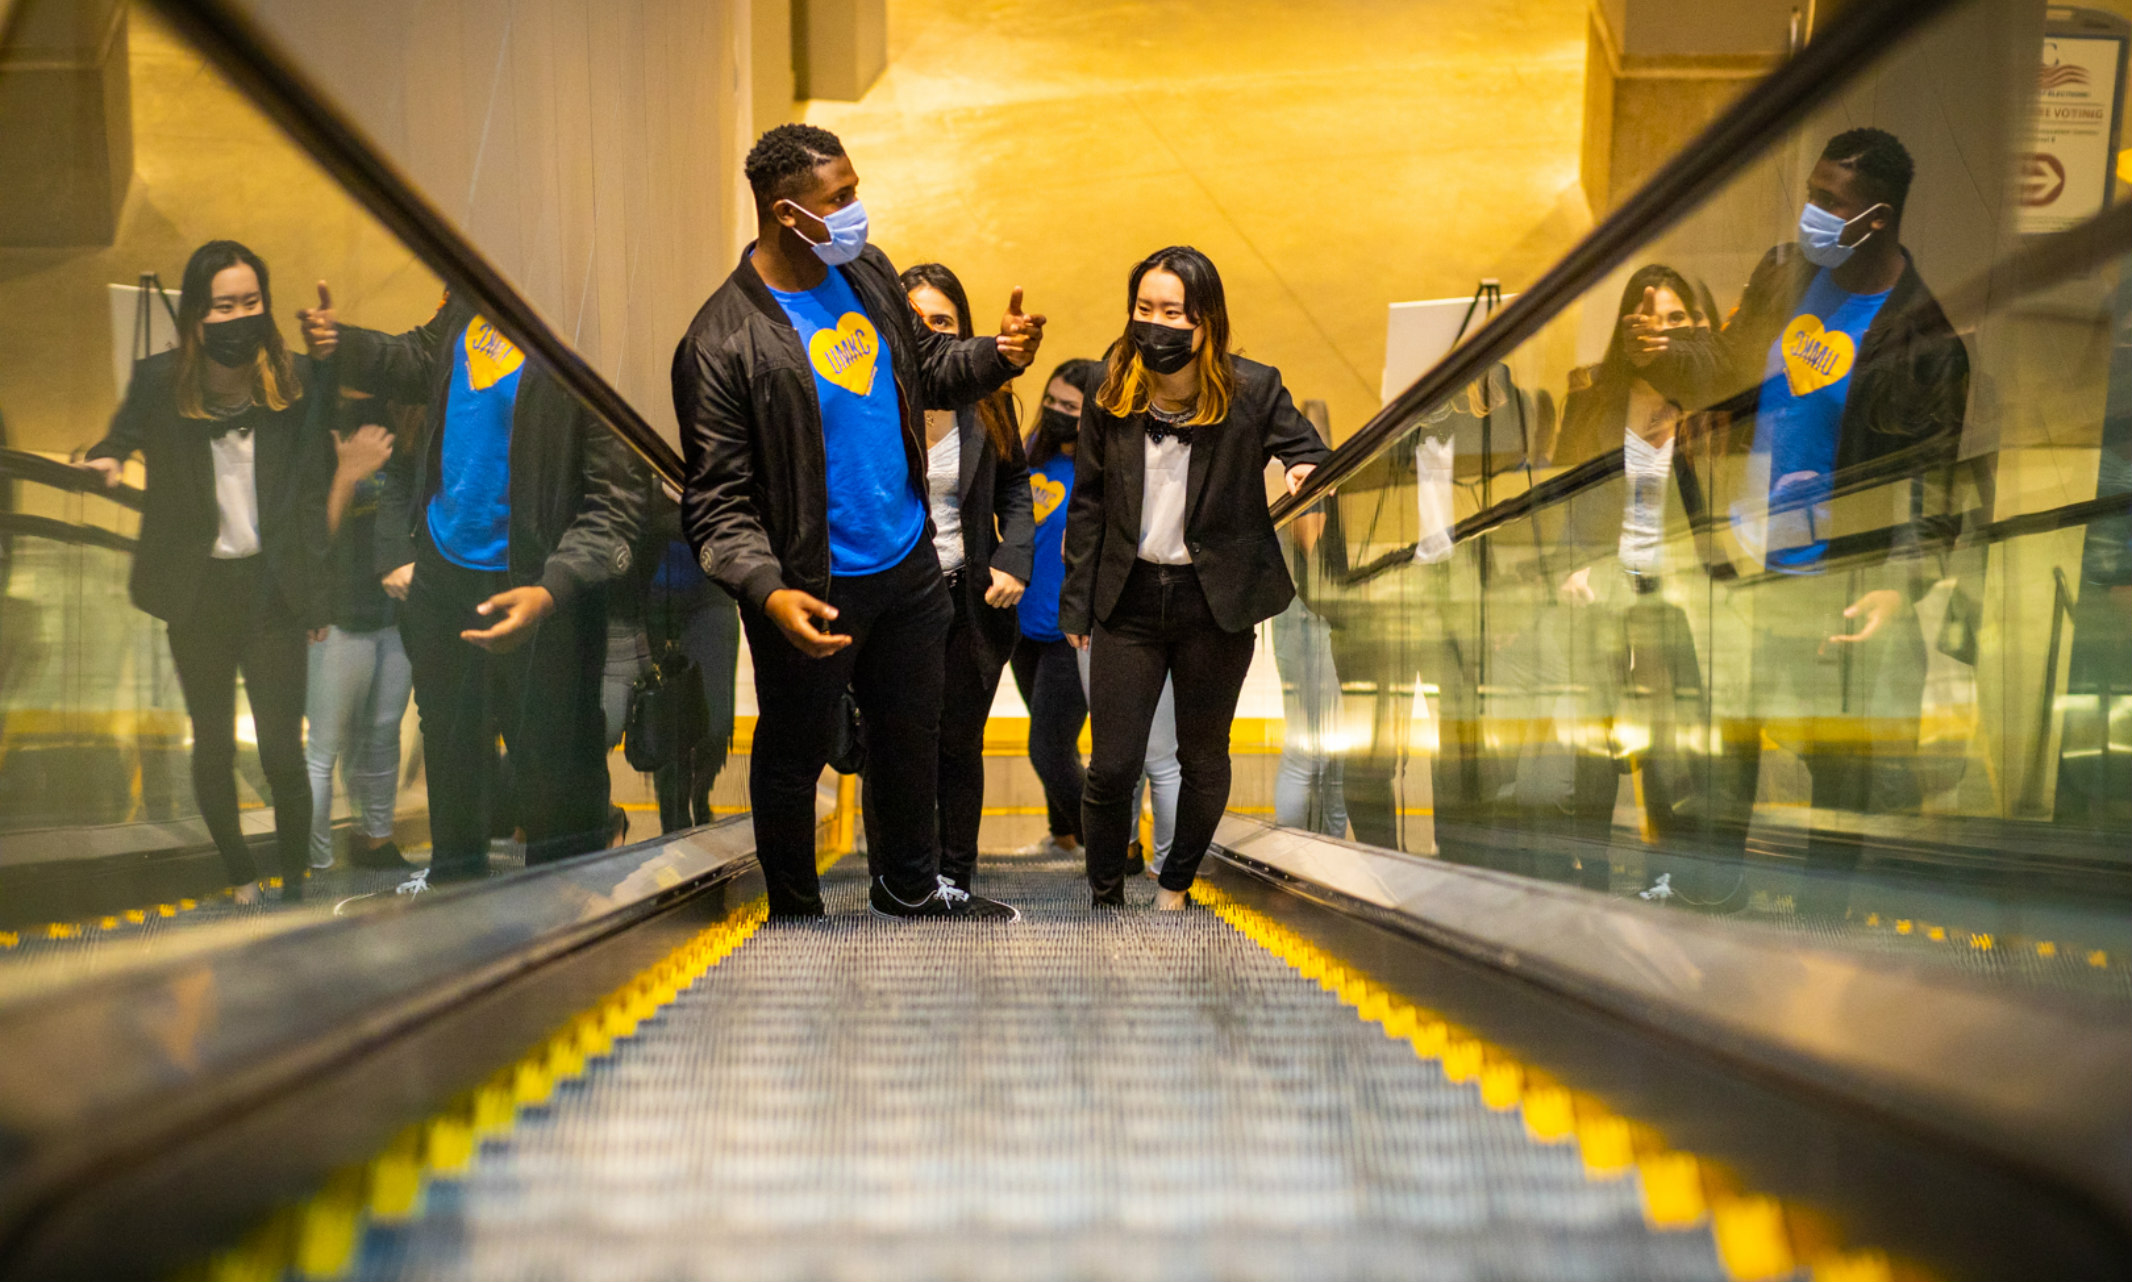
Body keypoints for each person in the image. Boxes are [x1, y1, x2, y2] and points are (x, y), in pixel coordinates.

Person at [672, 123, 1045, 920]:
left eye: (853, 190)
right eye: (838, 198)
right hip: (812, 581)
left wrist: (999, 357)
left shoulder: (867, 272)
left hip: (907, 562)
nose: (857, 210)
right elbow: (717, 501)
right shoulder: (720, 341)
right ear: (786, 214)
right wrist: (769, 591)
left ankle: (908, 887)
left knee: (911, 737)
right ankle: (797, 909)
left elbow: (929, 370)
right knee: (794, 751)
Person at [300, 287, 648, 887]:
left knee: (550, 775)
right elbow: (412, 357)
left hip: (537, 594)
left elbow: (615, 503)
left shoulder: (587, 330)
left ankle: (560, 937)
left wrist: (551, 591)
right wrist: (343, 343)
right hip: (443, 583)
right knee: (454, 764)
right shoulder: (470, 303)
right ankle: (456, 914)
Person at [1703, 126, 1968, 907]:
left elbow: (1935, 485)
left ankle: (1821, 926)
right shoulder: (1785, 276)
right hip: (1744, 560)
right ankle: (1713, 905)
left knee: (1837, 770)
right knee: (1724, 748)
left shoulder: (1924, 340)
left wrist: (1901, 585)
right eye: (1811, 193)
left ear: (1876, 217)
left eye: (1830, 201)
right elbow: (1730, 377)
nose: (1811, 213)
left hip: (1834, 582)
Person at [1060, 246, 1329, 908]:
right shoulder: (1108, 387)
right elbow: (1088, 503)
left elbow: (1309, 451)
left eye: (1173, 312)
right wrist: (1077, 609)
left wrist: (1301, 471)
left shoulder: (1252, 389)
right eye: (1144, 309)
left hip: (1215, 602)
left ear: (1205, 319)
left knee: (1202, 757)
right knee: (1112, 764)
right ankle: (1103, 894)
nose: (1156, 323)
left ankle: (1176, 881)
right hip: (1127, 600)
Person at [80, 240, 331, 903]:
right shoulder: (161, 381)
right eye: (224, 305)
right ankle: (240, 874)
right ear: (197, 314)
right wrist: (107, 459)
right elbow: (121, 434)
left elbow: (310, 496)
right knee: (213, 743)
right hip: (200, 592)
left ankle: (298, 879)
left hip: (272, 593)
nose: (240, 316)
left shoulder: (295, 380)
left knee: (281, 750)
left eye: (251, 302)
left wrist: (317, 597)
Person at [857, 262, 1035, 893]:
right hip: (894, 597)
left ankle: (955, 875)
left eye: (943, 322)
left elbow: (1015, 484)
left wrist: (1015, 556)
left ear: (962, 332)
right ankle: (896, 878)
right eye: (915, 320)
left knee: (959, 744)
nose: (929, 332)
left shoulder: (988, 399)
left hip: (967, 598)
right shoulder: (870, 395)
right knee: (893, 746)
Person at [1543, 265, 1721, 889]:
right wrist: (1568, 569)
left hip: (1680, 589)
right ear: (1627, 326)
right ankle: (1587, 874)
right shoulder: (1593, 398)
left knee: (1673, 748)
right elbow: (1561, 494)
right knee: (1597, 744)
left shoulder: (1709, 407)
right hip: (1605, 580)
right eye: (1650, 320)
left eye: (1677, 321)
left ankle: (1670, 879)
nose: (1662, 333)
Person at [304, 387, 416, 871]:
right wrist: (348, 473)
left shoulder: (402, 437)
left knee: (382, 735)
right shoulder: (316, 433)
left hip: (393, 615)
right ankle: (316, 862)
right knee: (324, 748)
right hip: (335, 619)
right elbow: (307, 537)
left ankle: (376, 841)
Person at [1010, 359, 1101, 867]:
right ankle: (1062, 837)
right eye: (1051, 401)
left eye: (1070, 407)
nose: (1056, 413)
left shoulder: (1099, 470)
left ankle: (1104, 845)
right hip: (1022, 624)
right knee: (1051, 740)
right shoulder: (1028, 454)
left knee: (1047, 747)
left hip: (1072, 630)